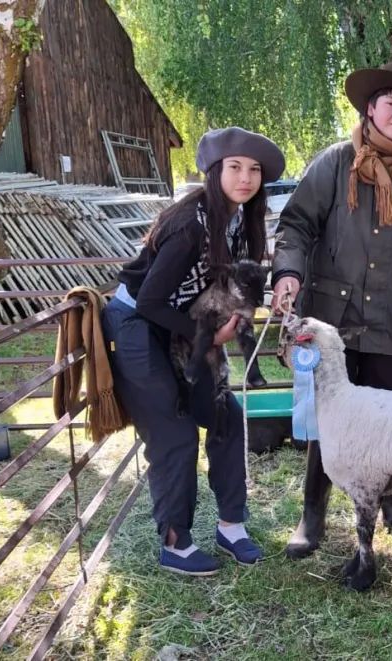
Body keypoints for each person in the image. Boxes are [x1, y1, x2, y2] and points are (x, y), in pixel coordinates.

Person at [270, 63, 392, 558]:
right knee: (327, 424)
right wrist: (287, 272)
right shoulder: (334, 163)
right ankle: (313, 515)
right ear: (370, 109)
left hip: (390, 320)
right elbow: (296, 225)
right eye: (390, 103)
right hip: (333, 321)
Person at [103, 127, 284, 574]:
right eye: (235, 167)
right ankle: (175, 540)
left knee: (225, 414)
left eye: (255, 169)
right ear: (214, 171)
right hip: (139, 325)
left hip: (187, 324)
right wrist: (211, 338)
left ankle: (231, 526)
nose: (245, 177)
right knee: (175, 433)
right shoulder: (189, 225)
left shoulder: (242, 221)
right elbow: (150, 301)